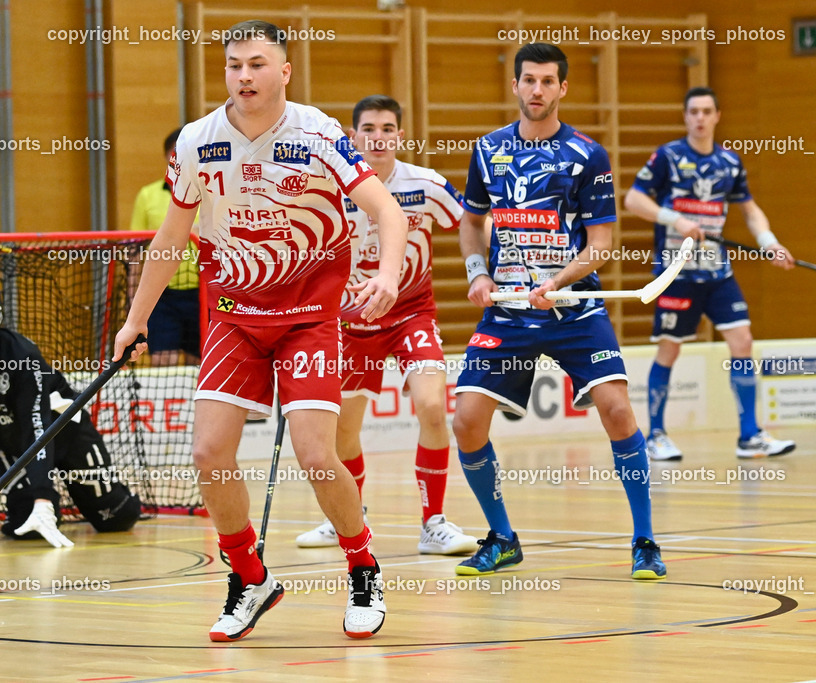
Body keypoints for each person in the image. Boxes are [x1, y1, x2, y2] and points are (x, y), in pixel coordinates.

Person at [113, 20, 407, 641]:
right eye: (233, 65)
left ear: (284, 71)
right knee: (209, 452)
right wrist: (135, 320)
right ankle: (248, 577)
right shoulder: (196, 141)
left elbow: (385, 209)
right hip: (234, 315)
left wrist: (384, 276)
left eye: (256, 64)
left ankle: (363, 565)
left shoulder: (321, 134)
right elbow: (171, 241)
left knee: (314, 452)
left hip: (307, 316)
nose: (243, 76)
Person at [453, 43, 665, 580]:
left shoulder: (588, 155)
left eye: (548, 81)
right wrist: (477, 271)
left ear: (563, 88)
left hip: (574, 306)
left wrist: (558, 280)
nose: (538, 90)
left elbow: (601, 244)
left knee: (617, 411)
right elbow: (472, 221)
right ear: (516, 85)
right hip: (508, 310)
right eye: (529, 80)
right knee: (467, 421)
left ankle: (645, 540)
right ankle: (502, 537)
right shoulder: (487, 150)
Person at [295, 94, 478, 556]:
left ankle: (433, 523)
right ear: (354, 136)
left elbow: (473, 223)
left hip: (412, 312)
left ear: (400, 134)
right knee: (343, 433)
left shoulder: (426, 184)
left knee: (433, 408)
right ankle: (347, 518)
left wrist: (491, 266)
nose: (378, 138)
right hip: (352, 324)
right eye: (369, 129)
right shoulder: (332, 187)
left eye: (388, 129)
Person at [624, 86, 796, 461]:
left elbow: (749, 210)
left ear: (717, 116)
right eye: (693, 112)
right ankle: (655, 435)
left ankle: (749, 436)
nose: (700, 118)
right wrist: (676, 219)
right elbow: (633, 199)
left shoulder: (729, 163)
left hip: (718, 272)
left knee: (743, 341)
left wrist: (769, 243)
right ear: (685, 117)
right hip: (677, 273)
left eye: (706, 111)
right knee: (670, 348)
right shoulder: (668, 158)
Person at [0, 276, 141, 547]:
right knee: (26, 528)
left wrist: (43, 501)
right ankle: (40, 509)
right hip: (13, 444)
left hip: (61, 432)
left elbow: (37, 425)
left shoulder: (19, 355)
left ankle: (65, 503)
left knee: (116, 518)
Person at [131, 127, 201, 366]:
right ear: (167, 156)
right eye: (175, 152)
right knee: (163, 360)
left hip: (201, 292)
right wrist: (134, 298)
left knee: (199, 362)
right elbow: (134, 250)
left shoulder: (208, 192)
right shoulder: (147, 196)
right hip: (162, 294)